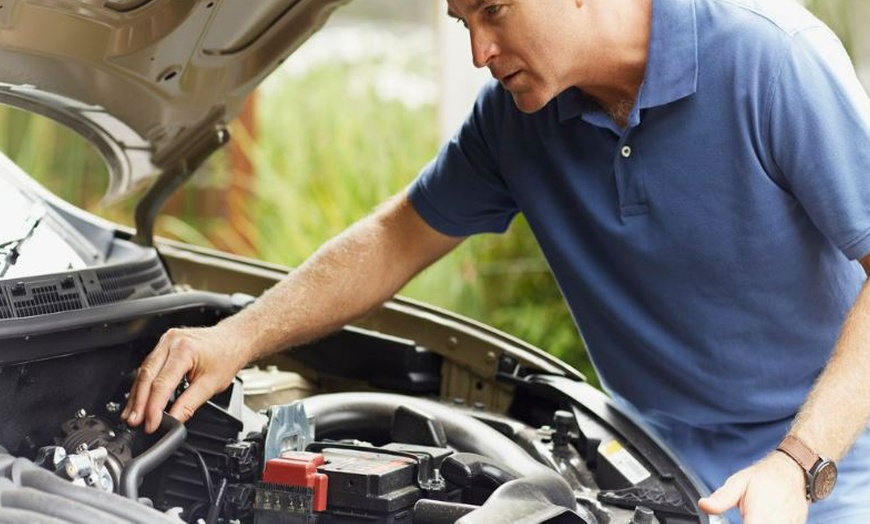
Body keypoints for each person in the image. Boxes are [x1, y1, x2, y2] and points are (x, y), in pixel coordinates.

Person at [122, 0, 870, 521]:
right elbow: (394, 238)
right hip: (654, 465)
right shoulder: (516, 121)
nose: (478, 52)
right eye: (462, 21)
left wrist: (798, 464)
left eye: (495, 10)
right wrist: (236, 336)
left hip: (833, 461)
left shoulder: (771, 60)